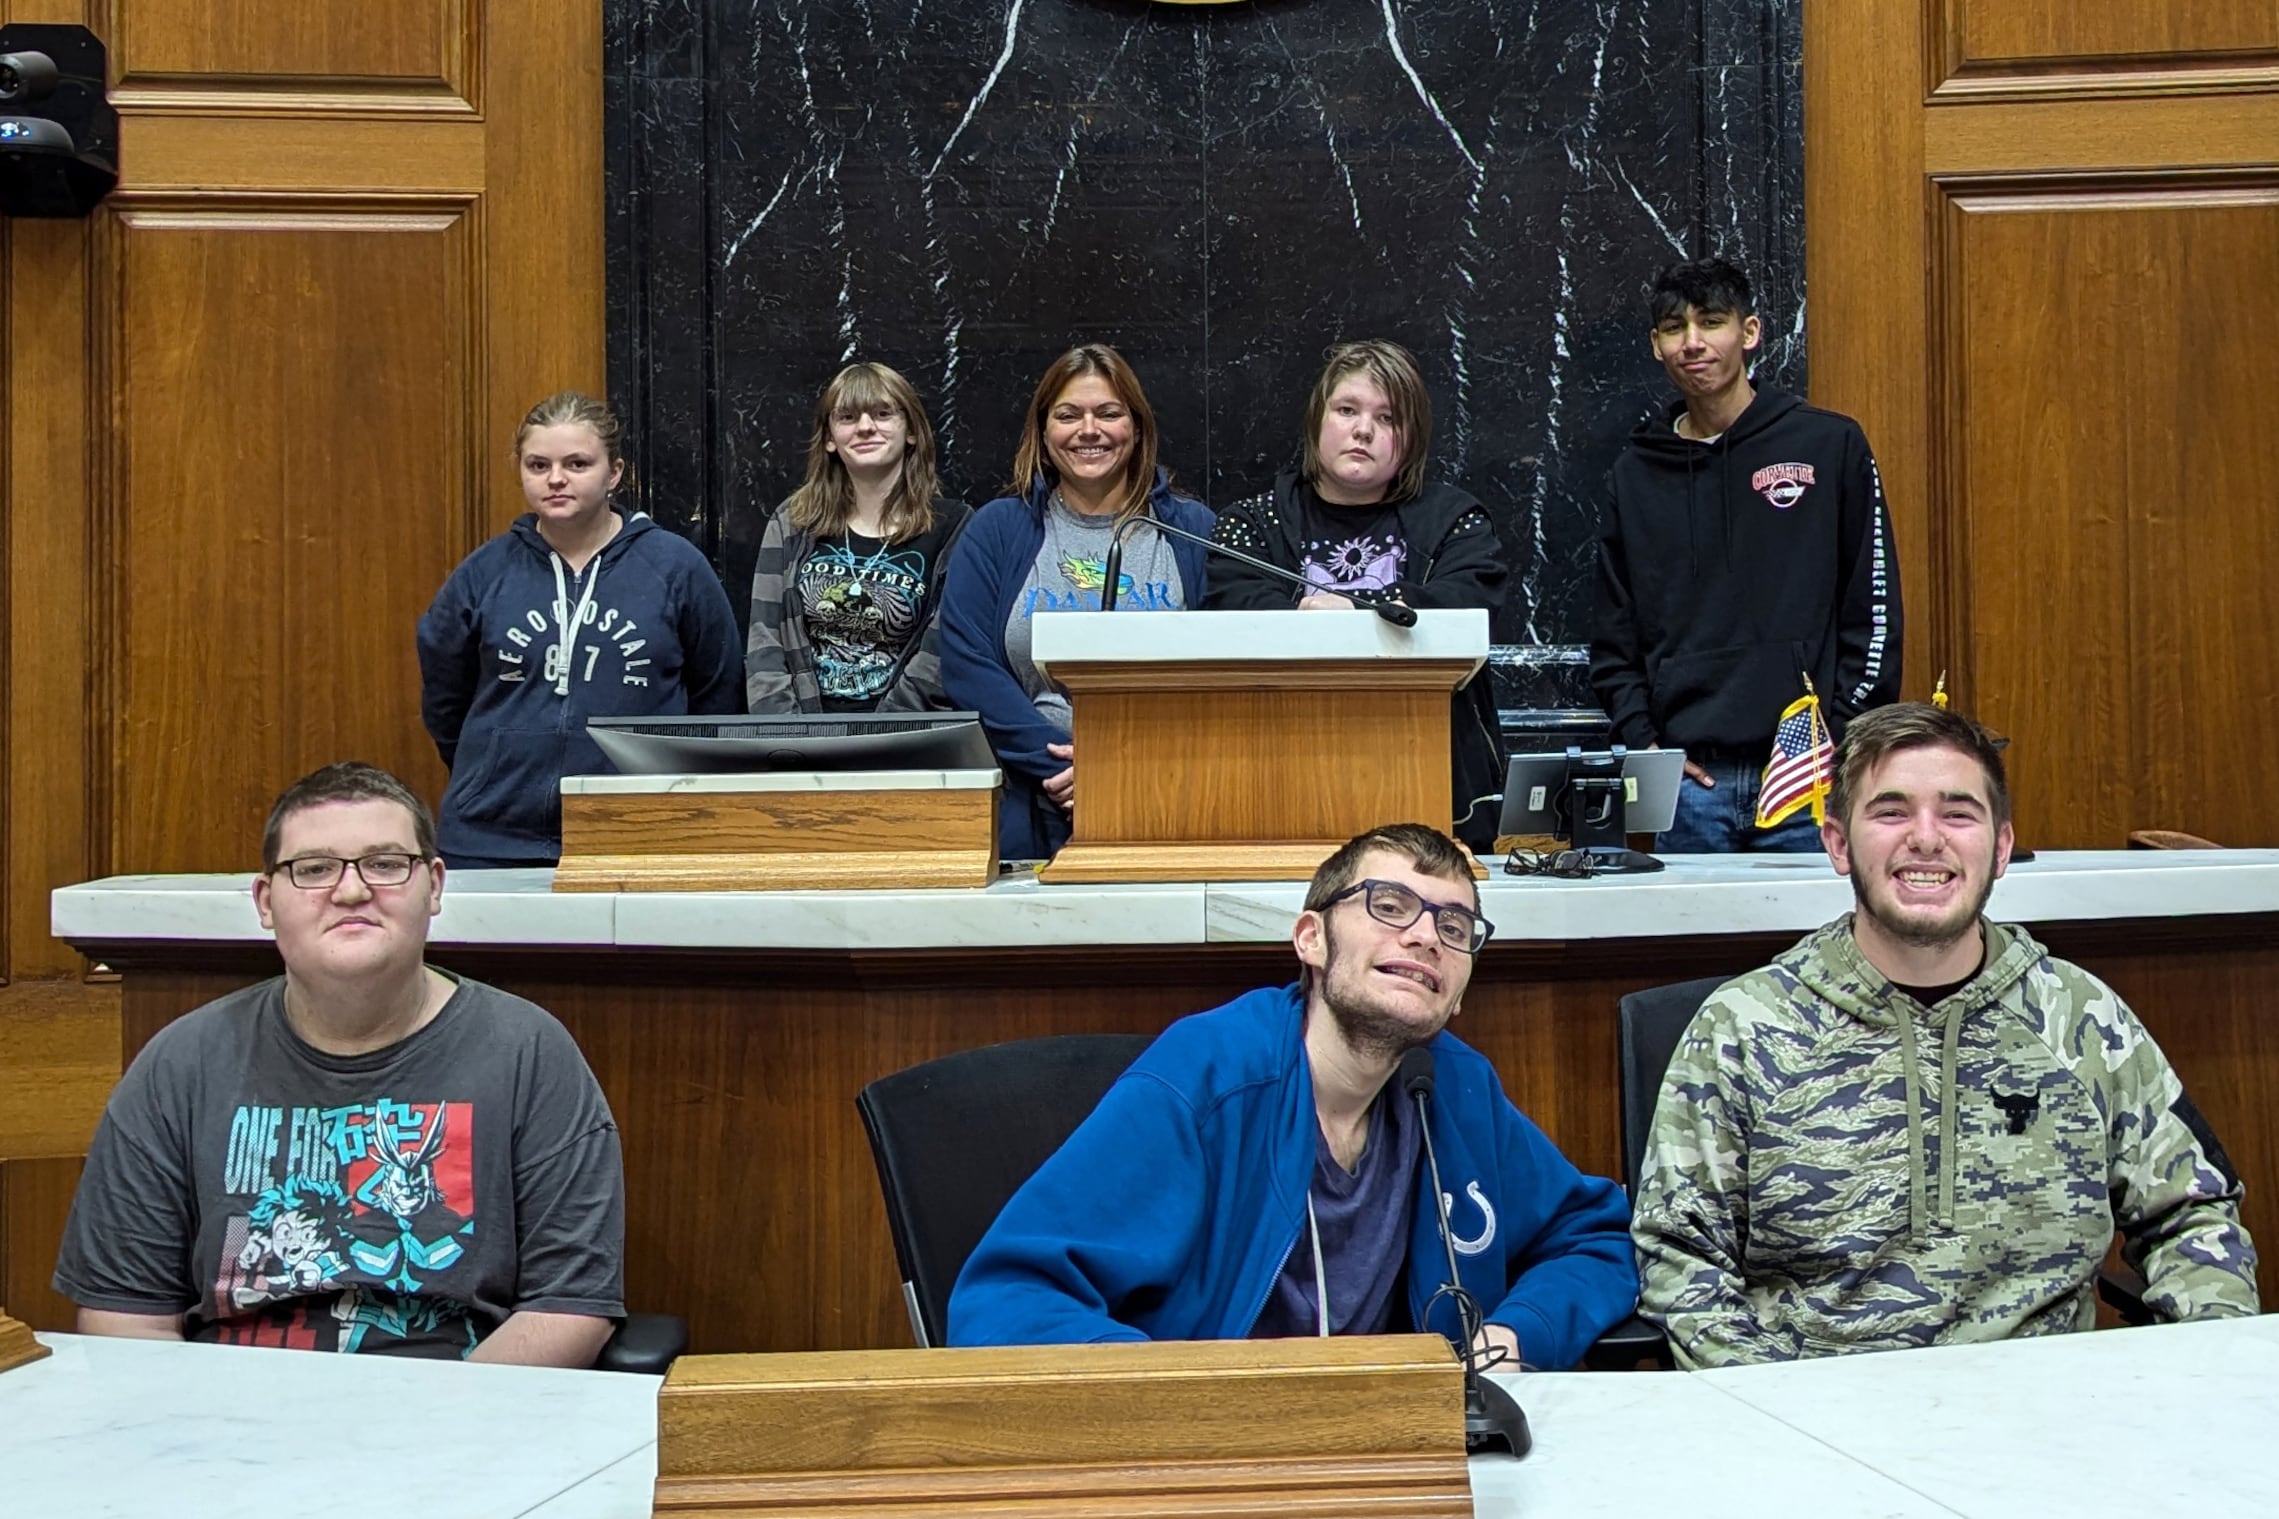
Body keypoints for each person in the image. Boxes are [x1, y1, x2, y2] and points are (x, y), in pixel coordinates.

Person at [1631, 704, 2259, 1368]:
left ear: (2001, 846)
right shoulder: (1743, 1026)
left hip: (2052, 1421)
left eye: (1957, 813)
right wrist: (1770, 1414)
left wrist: (2201, 1371)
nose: (1925, 838)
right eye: (1891, 811)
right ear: (1838, 844)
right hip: (1814, 1424)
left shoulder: (2080, 1015)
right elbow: (1680, 1256)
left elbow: (2193, 1215)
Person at [949, 822, 1636, 1366]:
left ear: (1458, 989)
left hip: (1402, 1452)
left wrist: (1516, 1336)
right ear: (1311, 938)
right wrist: (1191, 1400)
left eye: (1453, 928)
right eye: (1388, 905)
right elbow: (1005, 1302)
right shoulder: (1208, 1076)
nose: (1425, 934)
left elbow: (1594, 1237)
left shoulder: (1454, 1086)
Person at [53, 762, 626, 1364]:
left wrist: (428, 1433)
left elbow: (568, 1307)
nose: (351, 890)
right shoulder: (181, 1063)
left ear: (434, 886)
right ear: (264, 900)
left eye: (384, 864)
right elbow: (126, 1319)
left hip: (453, 1418)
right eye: (314, 869)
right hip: (224, 1418)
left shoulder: (528, 1051)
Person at [1589, 257, 1901, 852]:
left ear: (1750, 332)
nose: (1694, 343)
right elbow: (1613, 635)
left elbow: (1875, 606)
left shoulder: (1829, 444)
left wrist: (1841, 738)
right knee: (1694, 949)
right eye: (1675, 329)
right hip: (1690, 788)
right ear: (1656, 345)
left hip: (1810, 780)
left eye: (1711, 322)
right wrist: (1647, 747)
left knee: (1817, 945)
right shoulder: (1634, 474)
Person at [417, 390, 744, 868]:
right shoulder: (485, 572)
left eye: (576, 464)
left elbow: (718, 696)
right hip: (489, 839)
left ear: (614, 472)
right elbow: (445, 698)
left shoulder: (674, 567)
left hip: (639, 835)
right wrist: (493, 764)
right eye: (537, 465)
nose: (555, 479)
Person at [1205, 340, 1509, 851]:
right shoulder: (1251, 524)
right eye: (1347, 410)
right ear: (1317, 422)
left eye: (1387, 418)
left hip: (1434, 786)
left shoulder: (1457, 520)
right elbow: (1239, 616)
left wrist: (1356, 607)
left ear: (1411, 439)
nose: (1363, 429)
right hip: (1282, 782)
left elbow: (1466, 604)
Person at [938, 344, 1212, 861]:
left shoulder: (1193, 531)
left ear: (1137, 428)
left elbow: (1220, 671)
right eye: (1068, 415)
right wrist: (1059, 767)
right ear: (1043, 433)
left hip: (1166, 795)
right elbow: (967, 666)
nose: (1090, 430)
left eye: (1109, 413)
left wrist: (1120, 770)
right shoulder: (997, 530)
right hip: (1030, 799)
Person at [746, 362, 972, 712]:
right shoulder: (793, 520)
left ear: (911, 431)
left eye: (883, 414)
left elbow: (943, 649)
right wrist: (786, 735)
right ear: (829, 438)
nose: (866, 427)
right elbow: (764, 643)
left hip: (908, 740)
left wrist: (880, 734)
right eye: (848, 417)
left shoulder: (955, 526)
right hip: (801, 739)